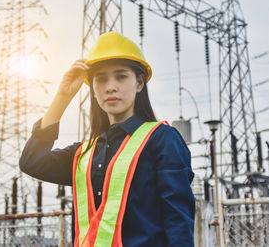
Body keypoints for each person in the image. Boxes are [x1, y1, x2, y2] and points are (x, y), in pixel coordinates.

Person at [20, 32, 195, 247]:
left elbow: (178, 221)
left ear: (139, 83)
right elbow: (32, 162)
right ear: (93, 89)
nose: (110, 86)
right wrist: (62, 97)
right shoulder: (85, 153)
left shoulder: (162, 139)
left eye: (121, 76)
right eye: (101, 79)